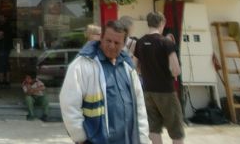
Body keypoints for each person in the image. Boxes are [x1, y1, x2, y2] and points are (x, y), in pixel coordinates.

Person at [60, 20, 149, 144]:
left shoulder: (128, 67)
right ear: (101, 38)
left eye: (117, 43)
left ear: (124, 44)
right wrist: (81, 137)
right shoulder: (82, 65)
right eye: (108, 41)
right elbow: (69, 105)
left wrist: (143, 139)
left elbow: (140, 107)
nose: (112, 46)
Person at [134, 11, 185, 144]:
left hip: (147, 91)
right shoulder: (166, 42)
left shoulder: (140, 42)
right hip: (166, 91)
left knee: (153, 128)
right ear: (162, 23)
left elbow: (134, 67)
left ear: (148, 23)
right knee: (176, 129)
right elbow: (176, 70)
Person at [0, 14, 13, 86]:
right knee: (6, 63)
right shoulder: (9, 26)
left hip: (3, 47)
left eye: (1, 17)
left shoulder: (4, 26)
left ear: (5, 18)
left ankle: (1, 80)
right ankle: (7, 80)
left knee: (1, 63)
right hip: (7, 47)